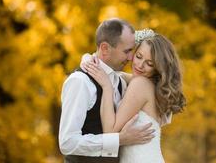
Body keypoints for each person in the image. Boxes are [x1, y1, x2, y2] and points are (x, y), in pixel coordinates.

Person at [58, 18, 155, 163]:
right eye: (127, 51)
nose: (131, 57)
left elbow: (156, 42)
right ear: (105, 48)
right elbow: (67, 143)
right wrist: (119, 140)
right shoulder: (80, 82)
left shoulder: (121, 81)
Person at [83, 30, 186, 163]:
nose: (140, 65)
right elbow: (116, 75)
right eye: (138, 56)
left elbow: (110, 131)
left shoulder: (140, 84)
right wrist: (88, 59)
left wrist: (107, 87)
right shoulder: (153, 87)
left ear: (158, 68)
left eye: (149, 64)